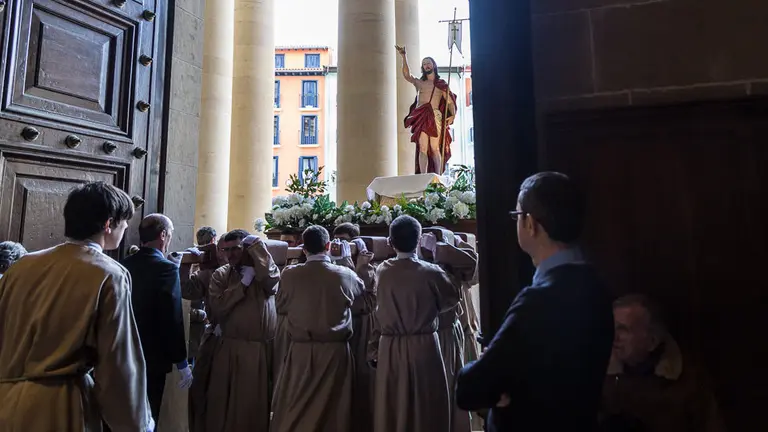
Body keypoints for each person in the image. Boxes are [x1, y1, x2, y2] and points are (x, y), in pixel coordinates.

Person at [455, 172, 615, 432]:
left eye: (517, 216)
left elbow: (470, 389)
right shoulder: (596, 287)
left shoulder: (538, 302)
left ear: (531, 224)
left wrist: (495, 378)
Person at [0, 181, 154, 431]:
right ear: (108, 224)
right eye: (124, 223)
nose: (126, 229)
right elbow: (118, 362)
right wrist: (136, 424)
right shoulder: (109, 273)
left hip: (5, 403)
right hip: (61, 408)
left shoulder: (21, 266)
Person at [369, 215, 461, 432]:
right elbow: (451, 299)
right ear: (419, 240)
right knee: (426, 402)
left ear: (390, 242)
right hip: (424, 345)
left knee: (393, 403)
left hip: (391, 346)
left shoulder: (382, 270)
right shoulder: (431, 272)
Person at [270, 226, 364, 432]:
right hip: (334, 352)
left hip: (301, 351)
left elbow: (281, 306)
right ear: (329, 245)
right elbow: (361, 292)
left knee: (296, 405)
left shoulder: (290, 274)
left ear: (304, 249)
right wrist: (345, 260)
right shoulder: (344, 274)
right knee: (335, 409)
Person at [600, 294, 725, 432]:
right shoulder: (599, 371)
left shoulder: (689, 381)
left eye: (623, 330)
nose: (614, 336)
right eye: (612, 327)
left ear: (652, 341)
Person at [206, 229, 280, 431]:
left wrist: (258, 249)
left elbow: (272, 281)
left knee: (252, 408)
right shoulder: (221, 275)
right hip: (229, 347)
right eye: (226, 250)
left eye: (236, 249)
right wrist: (242, 284)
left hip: (258, 350)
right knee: (223, 406)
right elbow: (218, 306)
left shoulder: (262, 275)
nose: (230, 255)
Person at [121, 214, 192, 423]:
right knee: (148, 415)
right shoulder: (167, 268)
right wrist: (181, 361)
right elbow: (172, 316)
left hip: (122, 350)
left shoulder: (123, 264)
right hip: (152, 356)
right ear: (163, 235)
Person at [396, 45, 457, 174]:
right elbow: (407, 75)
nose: (426, 66)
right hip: (421, 116)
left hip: (435, 116)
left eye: (428, 63)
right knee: (423, 147)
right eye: (424, 64)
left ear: (433, 65)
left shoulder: (441, 85)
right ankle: (423, 176)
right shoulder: (420, 83)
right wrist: (403, 56)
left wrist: (453, 115)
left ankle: (438, 176)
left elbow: (450, 102)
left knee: (434, 148)